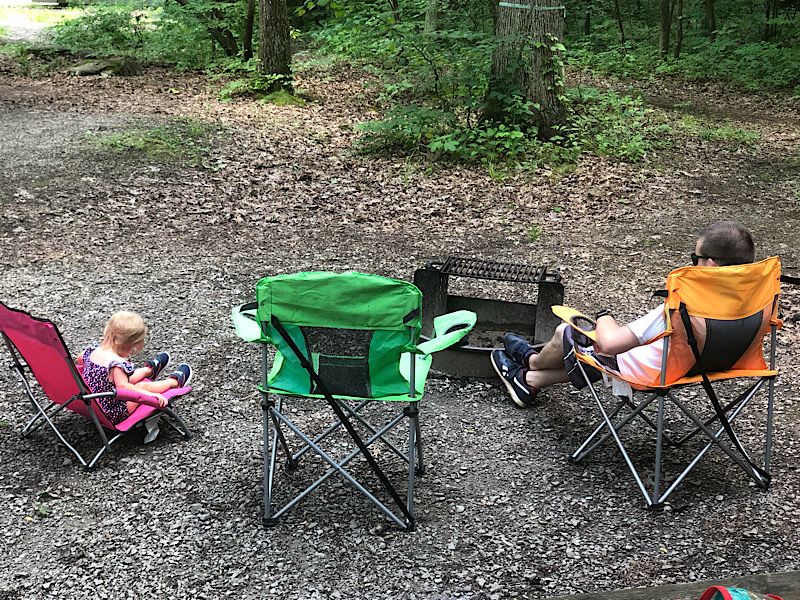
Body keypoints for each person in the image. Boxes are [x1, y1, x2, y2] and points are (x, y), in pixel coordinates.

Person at [491, 221, 756, 408]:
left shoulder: (687, 305)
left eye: (694, 258)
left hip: (655, 373)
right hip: (714, 366)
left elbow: (610, 344)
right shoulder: (757, 300)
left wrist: (604, 316)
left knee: (569, 333)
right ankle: (529, 379)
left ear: (710, 264)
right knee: (597, 349)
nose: (692, 263)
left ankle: (532, 363)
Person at [75, 311, 192, 424]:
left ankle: (149, 371)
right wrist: (150, 395)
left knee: (119, 378)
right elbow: (123, 387)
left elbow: (80, 359)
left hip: (91, 404)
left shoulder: (92, 350)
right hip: (112, 412)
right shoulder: (116, 364)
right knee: (140, 386)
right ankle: (173, 383)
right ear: (128, 345)